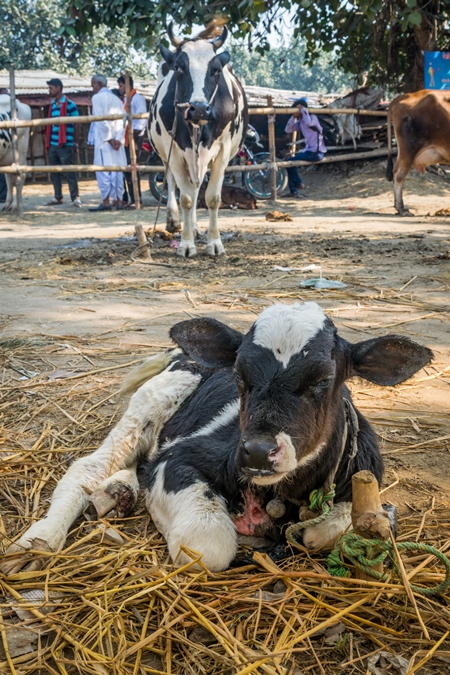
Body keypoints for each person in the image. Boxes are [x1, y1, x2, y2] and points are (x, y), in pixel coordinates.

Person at [89, 74, 126, 212]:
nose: (92, 88)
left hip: (105, 140)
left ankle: (106, 202)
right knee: (117, 170)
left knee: (103, 170)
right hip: (117, 141)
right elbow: (124, 121)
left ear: (99, 84)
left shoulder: (97, 98)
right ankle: (118, 200)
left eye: (93, 85)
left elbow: (100, 120)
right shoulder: (117, 99)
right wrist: (118, 139)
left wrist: (110, 139)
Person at [45, 78, 82, 207]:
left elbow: (77, 124)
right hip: (53, 143)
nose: (49, 90)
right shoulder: (52, 105)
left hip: (66, 142)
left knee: (69, 170)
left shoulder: (70, 104)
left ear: (58, 88)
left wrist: (75, 141)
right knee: (54, 171)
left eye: (51, 88)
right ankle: (58, 196)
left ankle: (75, 197)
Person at [283, 98, 327, 197]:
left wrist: (303, 109)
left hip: (316, 152)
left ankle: (298, 184)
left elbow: (309, 123)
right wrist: (293, 117)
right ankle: (294, 191)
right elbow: (288, 129)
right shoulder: (301, 121)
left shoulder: (312, 117)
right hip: (309, 151)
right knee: (289, 163)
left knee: (290, 161)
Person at [117, 75, 147, 209]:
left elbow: (141, 119)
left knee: (133, 167)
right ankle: (131, 198)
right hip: (126, 137)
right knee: (127, 170)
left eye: (121, 86)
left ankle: (137, 199)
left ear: (127, 86)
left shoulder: (137, 98)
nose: (119, 88)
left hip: (134, 137)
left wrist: (133, 134)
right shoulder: (125, 100)